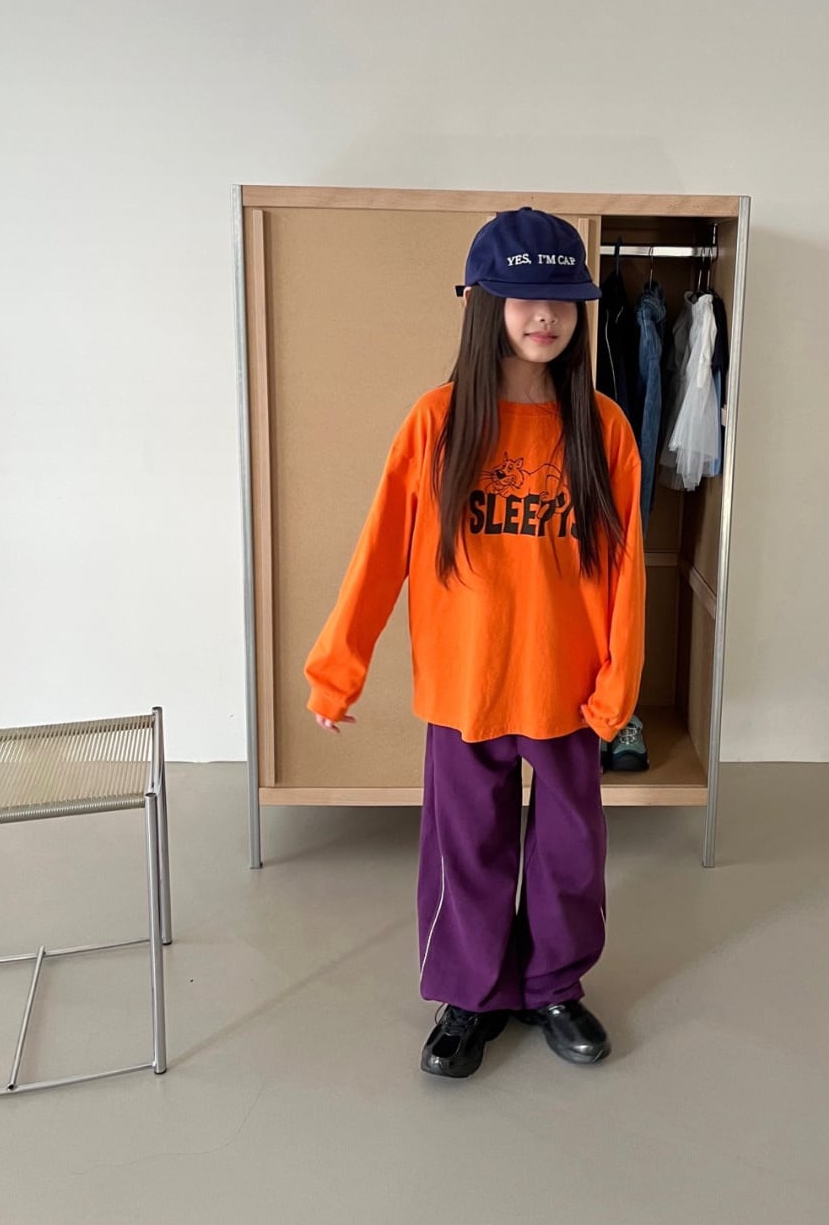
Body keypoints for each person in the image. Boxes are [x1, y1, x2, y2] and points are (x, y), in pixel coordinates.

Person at [304, 207, 646, 1080]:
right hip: (465, 686)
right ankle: (472, 994)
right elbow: (380, 552)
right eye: (525, 298)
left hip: (566, 687)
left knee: (571, 850)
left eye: (562, 299)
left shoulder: (603, 426)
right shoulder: (438, 421)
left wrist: (618, 685)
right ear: (482, 302)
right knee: (468, 847)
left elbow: (627, 569)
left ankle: (553, 986)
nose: (545, 316)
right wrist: (337, 671)